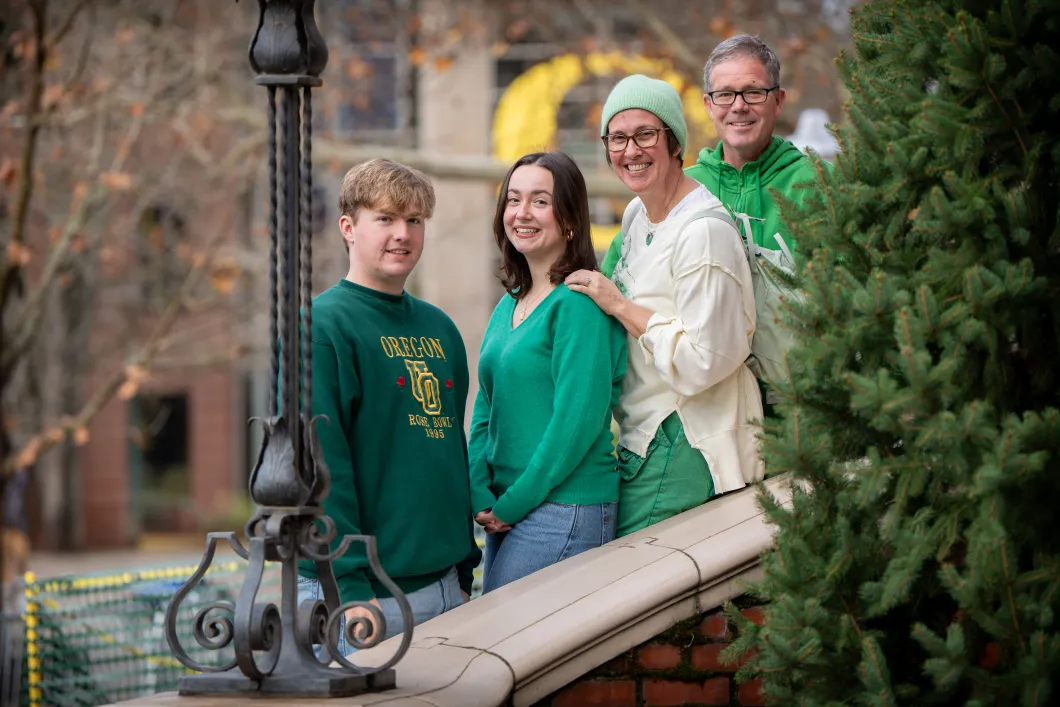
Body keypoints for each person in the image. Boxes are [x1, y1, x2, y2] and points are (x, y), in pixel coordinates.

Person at [297, 158, 481, 655]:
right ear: (348, 228)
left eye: (414, 220)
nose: (403, 234)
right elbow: (320, 466)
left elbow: (450, 452)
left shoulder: (440, 329)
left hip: (448, 587)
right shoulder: (321, 326)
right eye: (385, 218)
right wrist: (350, 588)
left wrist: (464, 571)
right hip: (363, 599)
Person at [566, 75, 764, 537]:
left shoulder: (703, 232)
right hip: (640, 432)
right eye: (617, 138)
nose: (630, 150)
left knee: (629, 576)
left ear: (675, 142)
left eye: (645, 134)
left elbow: (704, 361)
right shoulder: (638, 214)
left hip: (685, 436)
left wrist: (620, 306)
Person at [468, 151, 627, 593]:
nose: (522, 212)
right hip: (509, 505)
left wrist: (512, 504)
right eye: (513, 199)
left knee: (501, 627)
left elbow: (575, 423)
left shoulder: (577, 304)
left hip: (565, 505)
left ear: (570, 220)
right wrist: (478, 487)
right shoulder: (509, 303)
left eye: (540, 201)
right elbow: (486, 405)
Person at [600, 34, 820, 276]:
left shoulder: (820, 185)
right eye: (724, 94)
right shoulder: (677, 190)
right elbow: (614, 280)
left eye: (753, 92)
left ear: (778, 101)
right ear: (708, 105)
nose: (739, 106)